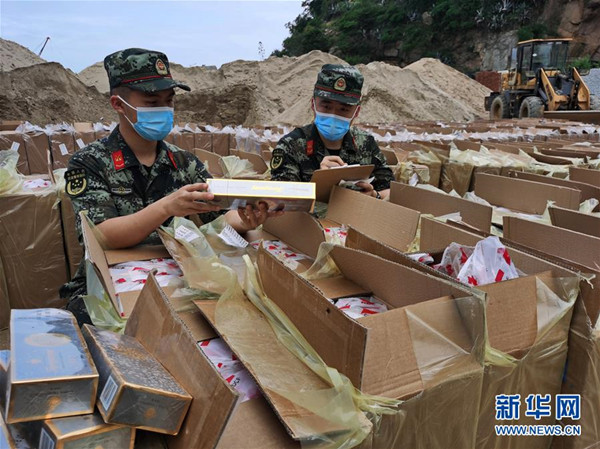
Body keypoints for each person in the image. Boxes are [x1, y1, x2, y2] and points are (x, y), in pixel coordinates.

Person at [60, 48, 279, 325]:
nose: (164, 110)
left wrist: (246, 217)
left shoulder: (184, 162)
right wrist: (166, 207)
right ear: (118, 104)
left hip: (175, 271)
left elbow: (218, 218)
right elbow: (101, 236)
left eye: (169, 101)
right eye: (152, 102)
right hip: (109, 279)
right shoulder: (90, 162)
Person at [270, 64, 393, 199]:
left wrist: (374, 195)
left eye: (343, 109)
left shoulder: (366, 143)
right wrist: (321, 184)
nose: (333, 115)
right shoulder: (291, 145)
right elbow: (280, 200)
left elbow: (390, 190)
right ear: (313, 104)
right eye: (326, 106)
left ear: (356, 112)